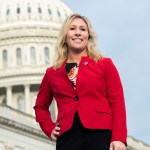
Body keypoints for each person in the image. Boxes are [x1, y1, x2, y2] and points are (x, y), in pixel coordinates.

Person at [34, 13, 127, 150]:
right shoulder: (52, 73)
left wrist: (119, 138)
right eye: (72, 29)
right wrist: (49, 127)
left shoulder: (104, 64)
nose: (78, 33)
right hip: (68, 137)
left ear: (88, 36)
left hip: (100, 133)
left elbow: (117, 102)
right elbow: (40, 106)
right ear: (65, 36)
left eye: (83, 29)